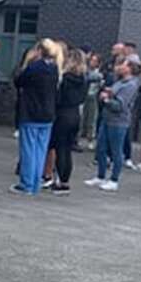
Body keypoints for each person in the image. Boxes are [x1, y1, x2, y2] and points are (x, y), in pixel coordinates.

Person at [9, 39, 60, 195]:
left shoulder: (34, 67)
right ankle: (36, 182)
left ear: (39, 50)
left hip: (31, 113)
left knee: (28, 149)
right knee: (40, 149)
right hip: (48, 114)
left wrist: (27, 63)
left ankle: (26, 184)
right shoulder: (54, 68)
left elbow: (19, 81)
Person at [85, 54, 141, 192]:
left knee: (116, 151)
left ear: (130, 68)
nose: (120, 66)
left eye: (124, 64)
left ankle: (114, 179)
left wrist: (106, 99)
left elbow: (120, 106)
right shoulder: (120, 82)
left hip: (119, 122)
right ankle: (100, 176)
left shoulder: (131, 85)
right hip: (107, 118)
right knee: (101, 148)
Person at [48, 48, 88, 195]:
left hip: (63, 114)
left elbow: (58, 98)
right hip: (75, 114)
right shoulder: (83, 80)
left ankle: (59, 182)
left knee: (60, 149)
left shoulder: (64, 79)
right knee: (68, 149)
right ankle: (65, 181)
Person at [81, 53, 103, 149]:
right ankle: (79, 137)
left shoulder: (100, 73)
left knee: (92, 118)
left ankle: (90, 139)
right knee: (82, 117)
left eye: (95, 61)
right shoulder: (85, 71)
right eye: (91, 60)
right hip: (84, 96)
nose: (92, 62)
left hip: (93, 97)